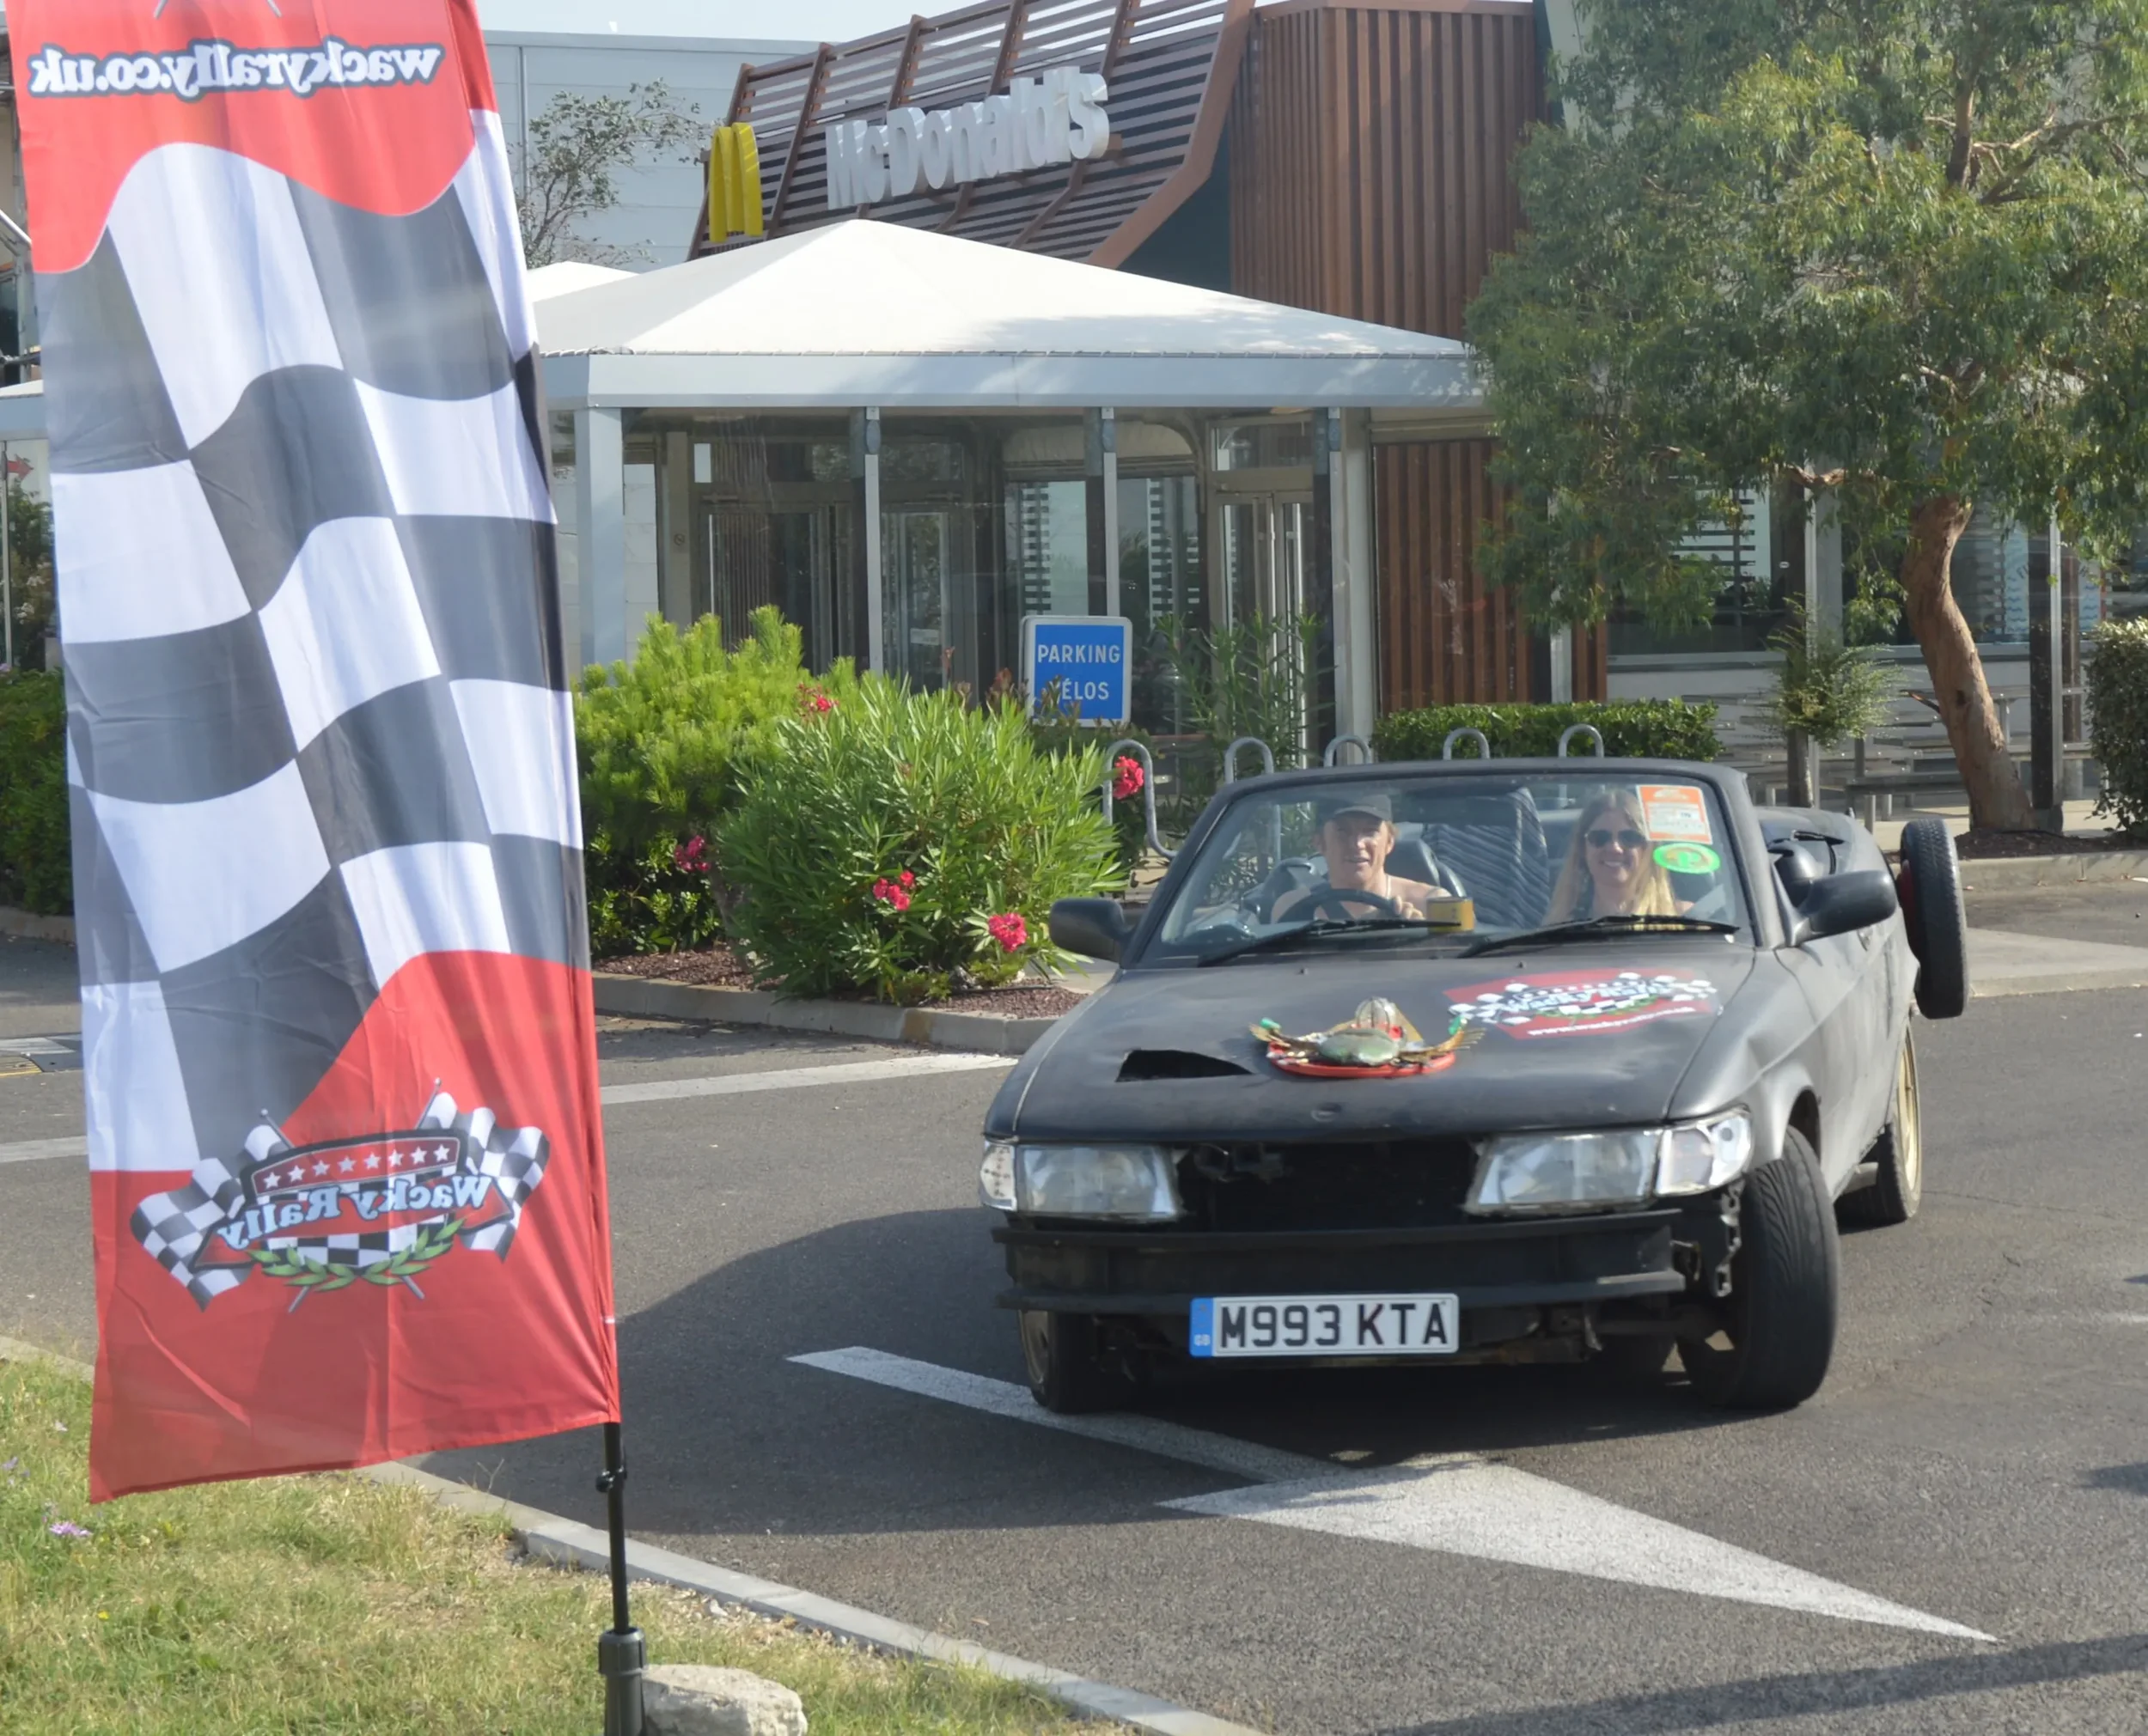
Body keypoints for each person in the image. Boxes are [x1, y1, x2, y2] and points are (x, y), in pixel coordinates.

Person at [1276, 794, 1449, 921]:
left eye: (1370, 831)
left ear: (1389, 842)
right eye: (1343, 832)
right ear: (1320, 843)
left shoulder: (1433, 905)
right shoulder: (1293, 909)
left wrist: (1418, 939)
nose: (1357, 844)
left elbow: (1455, 959)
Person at [1546, 789, 1687, 921]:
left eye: (1629, 838)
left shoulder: (1685, 920)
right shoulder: (1560, 926)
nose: (1615, 848)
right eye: (1600, 837)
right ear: (1583, 848)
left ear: (1647, 849)